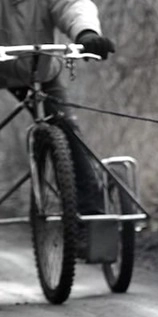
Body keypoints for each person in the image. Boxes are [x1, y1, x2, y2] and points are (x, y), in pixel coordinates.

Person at [0, 0, 115, 215]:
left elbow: (71, 5)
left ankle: (89, 219)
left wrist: (86, 33)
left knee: (67, 131)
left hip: (38, 72)